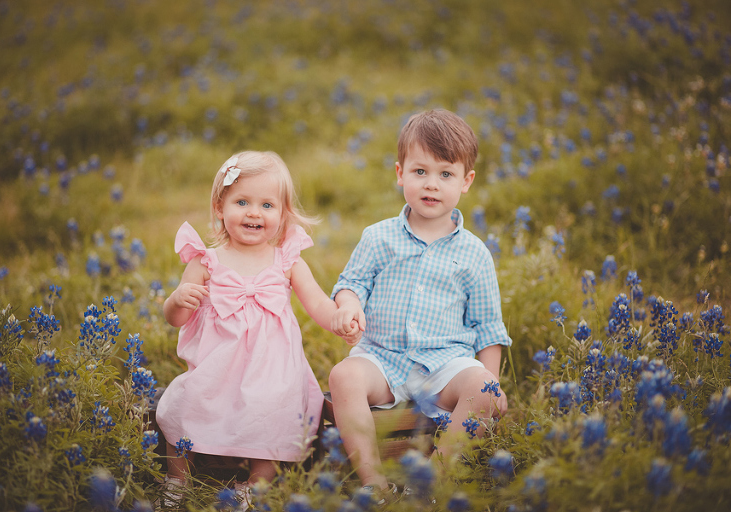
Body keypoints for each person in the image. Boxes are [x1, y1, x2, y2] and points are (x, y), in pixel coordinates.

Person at [156, 151, 357, 507]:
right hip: (217, 368)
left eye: (267, 205)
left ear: (282, 215)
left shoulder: (287, 261)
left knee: (273, 415)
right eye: (242, 201)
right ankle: (177, 480)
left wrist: (339, 320)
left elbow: (319, 305)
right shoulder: (206, 261)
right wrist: (177, 299)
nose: (254, 212)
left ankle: (254, 485)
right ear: (220, 207)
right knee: (181, 408)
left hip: (272, 373)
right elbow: (176, 318)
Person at [329, 109, 512, 495]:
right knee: (343, 377)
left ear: (466, 181)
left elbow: (487, 327)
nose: (431, 184)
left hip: (445, 363)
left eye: (445, 174)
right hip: (382, 357)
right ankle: (373, 482)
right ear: (400, 173)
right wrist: (348, 305)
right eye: (420, 172)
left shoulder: (475, 253)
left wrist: (490, 382)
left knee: (485, 388)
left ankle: (433, 478)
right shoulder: (378, 237)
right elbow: (351, 284)